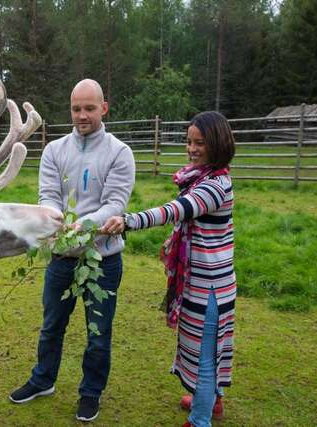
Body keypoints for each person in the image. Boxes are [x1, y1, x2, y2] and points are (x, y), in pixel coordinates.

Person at [9, 79, 135, 422]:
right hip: (62, 258)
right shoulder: (54, 150)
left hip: (103, 261)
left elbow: (115, 205)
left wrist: (81, 225)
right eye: (76, 109)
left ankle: (90, 392)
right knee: (52, 325)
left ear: (104, 108)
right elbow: (47, 194)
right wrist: (55, 218)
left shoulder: (119, 153)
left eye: (90, 108)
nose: (82, 115)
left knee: (98, 333)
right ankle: (43, 380)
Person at [101, 111, 236, 427]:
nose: (192, 148)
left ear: (217, 143)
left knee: (204, 353)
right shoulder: (200, 177)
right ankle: (213, 400)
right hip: (200, 280)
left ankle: (200, 419)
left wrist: (129, 220)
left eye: (200, 143)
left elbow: (176, 211)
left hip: (211, 286)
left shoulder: (215, 185)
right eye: (189, 141)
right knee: (204, 346)